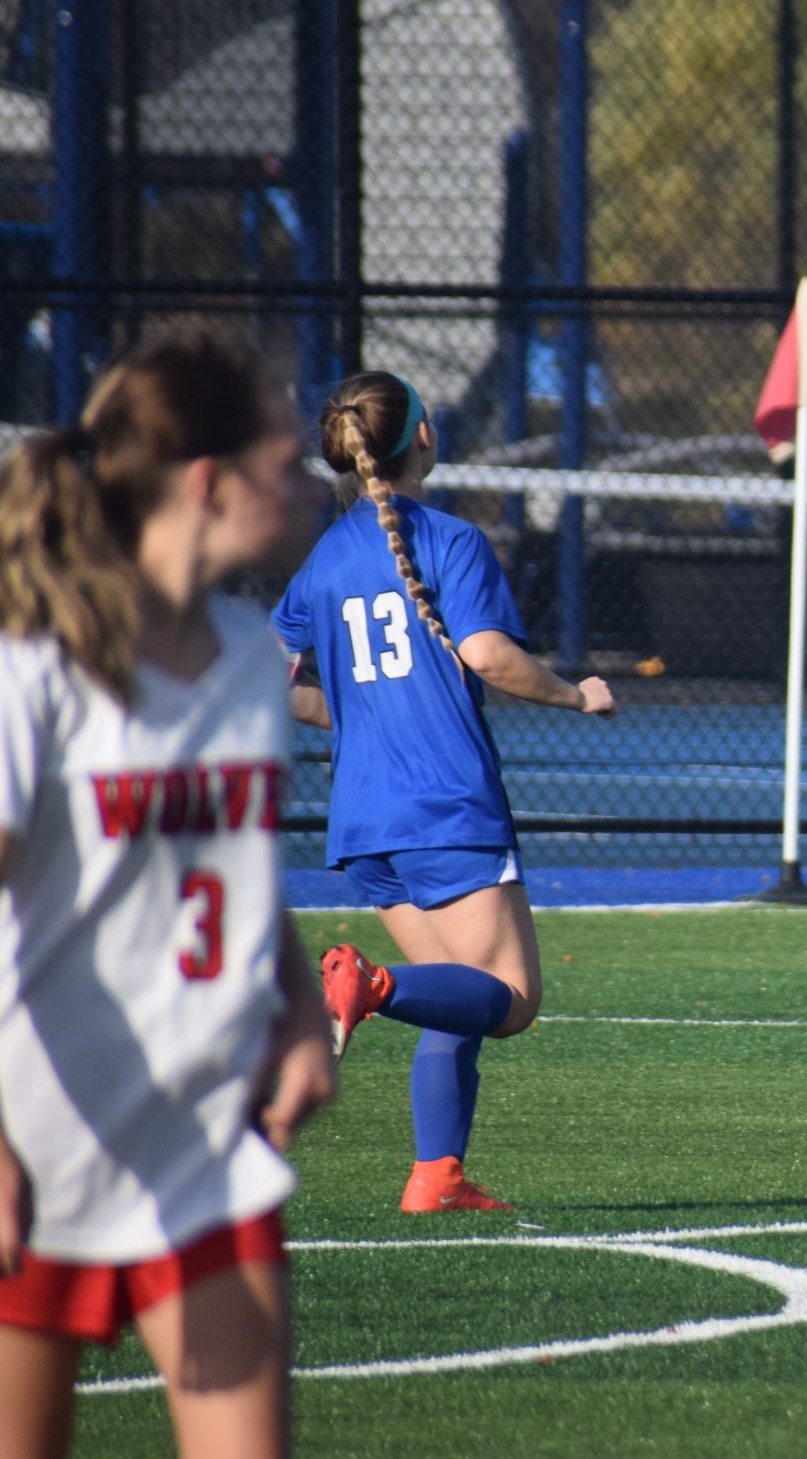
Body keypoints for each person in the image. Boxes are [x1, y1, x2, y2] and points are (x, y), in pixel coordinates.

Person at [0, 332, 334, 1458]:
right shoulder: (25, 672)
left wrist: (298, 1003)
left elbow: (234, 866)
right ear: (209, 483)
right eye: (284, 453)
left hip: (201, 1151)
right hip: (36, 1148)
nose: (307, 477)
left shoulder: (252, 656)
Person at [276, 371, 615, 1215]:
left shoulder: (323, 561)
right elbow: (490, 656)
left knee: (454, 993)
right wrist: (578, 695)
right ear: (422, 437)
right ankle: (369, 984)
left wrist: (353, 717)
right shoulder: (453, 541)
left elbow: (270, 683)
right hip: (445, 808)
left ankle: (437, 1176)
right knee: (510, 1001)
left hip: (364, 821)